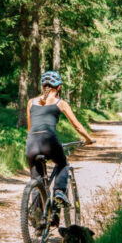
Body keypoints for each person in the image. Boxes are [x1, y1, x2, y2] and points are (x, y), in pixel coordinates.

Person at [25, 70, 94, 205]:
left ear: (43, 86)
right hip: (49, 141)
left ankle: (37, 216)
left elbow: (29, 128)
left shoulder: (31, 102)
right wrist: (88, 139)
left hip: (31, 143)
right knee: (62, 164)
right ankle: (59, 192)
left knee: (36, 179)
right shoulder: (60, 103)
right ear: (58, 87)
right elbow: (77, 126)